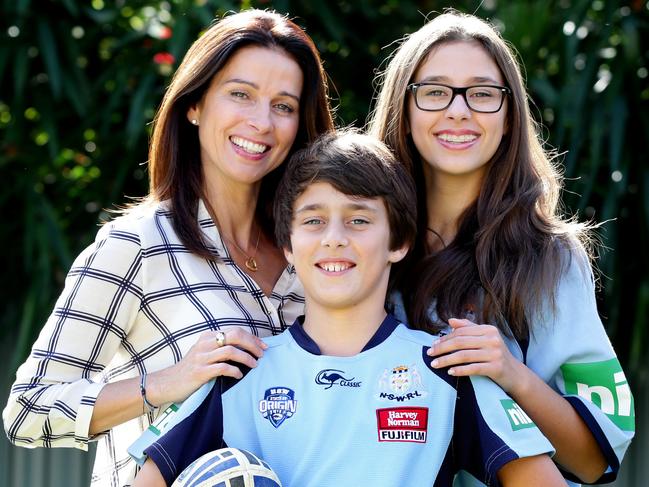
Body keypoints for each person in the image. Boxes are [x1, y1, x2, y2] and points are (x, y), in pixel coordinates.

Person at [3, 9, 334, 487]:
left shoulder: (317, 255)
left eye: (283, 105)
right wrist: (168, 382)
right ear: (194, 106)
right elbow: (27, 412)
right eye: (240, 94)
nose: (262, 122)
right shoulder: (136, 244)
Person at [131, 129, 568, 487]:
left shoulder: (446, 370)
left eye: (359, 220)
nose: (334, 237)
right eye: (313, 220)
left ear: (398, 242)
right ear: (288, 244)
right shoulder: (237, 374)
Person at [367, 10, 634, 486]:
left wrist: (510, 372)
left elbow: (595, 461)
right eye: (434, 91)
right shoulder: (360, 243)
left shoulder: (550, 259)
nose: (458, 110)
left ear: (509, 117)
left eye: (483, 94)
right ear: (403, 112)